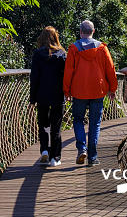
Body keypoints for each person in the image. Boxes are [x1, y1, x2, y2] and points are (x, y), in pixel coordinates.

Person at [63, 19, 117, 166]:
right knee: (95, 123)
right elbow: (110, 70)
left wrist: (66, 90)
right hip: (98, 91)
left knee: (78, 120)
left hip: (79, 91)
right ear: (93, 32)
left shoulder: (74, 49)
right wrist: (112, 88)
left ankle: (82, 149)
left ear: (80, 32)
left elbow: (68, 71)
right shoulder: (102, 48)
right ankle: (93, 158)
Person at [30, 26, 67, 166]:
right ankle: (54, 158)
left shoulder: (37, 54)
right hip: (58, 95)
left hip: (42, 95)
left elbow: (34, 78)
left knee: (43, 124)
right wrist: (68, 92)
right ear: (55, 37)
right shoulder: (62, 54)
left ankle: (44, 150)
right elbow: (66, 76)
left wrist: (32, 98)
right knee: (56, 127)